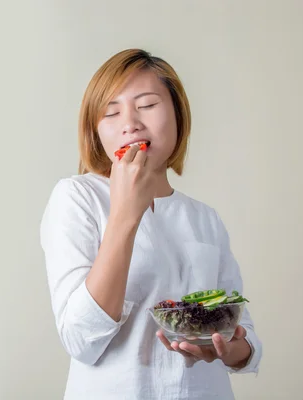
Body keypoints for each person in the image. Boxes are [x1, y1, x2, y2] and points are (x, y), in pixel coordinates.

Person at [39, 49, 262, 399]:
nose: (130, 123)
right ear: (96, 132)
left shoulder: (205, 218)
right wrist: (125, 215)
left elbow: (242, 333)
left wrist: (228, 349)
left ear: (178, 115)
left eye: (146, 105)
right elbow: (80, 340)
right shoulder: (77, 197)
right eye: (111, 112)